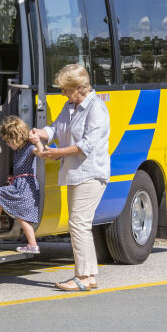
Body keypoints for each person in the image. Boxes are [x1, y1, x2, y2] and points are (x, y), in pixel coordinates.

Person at [30, 63, 110, 292]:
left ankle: (82, 277)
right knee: (80, 224)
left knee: (78, 224)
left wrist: (56, 153)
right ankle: (89, 277)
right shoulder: (70, 106)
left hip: (91, 173)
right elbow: (56, 129)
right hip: (74, 173)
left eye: (65, 89)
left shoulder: (96, 108)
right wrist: (40, 133)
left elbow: (86, 145)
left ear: (79, 87)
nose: (62, 93)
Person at [0, 116, 43, 254]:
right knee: (22, 218)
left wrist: (37, 141)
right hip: (22, 185)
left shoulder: (29, 148)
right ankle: (33, 245)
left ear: (16, 138)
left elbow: (41, 153)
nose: (7, 144)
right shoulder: (19, 150)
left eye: (8, 141)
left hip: (25, 187)